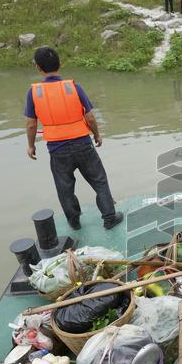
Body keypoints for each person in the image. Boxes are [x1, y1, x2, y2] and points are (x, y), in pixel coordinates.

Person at [25, 47, 123, 230]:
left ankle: (74, 221)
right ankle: (109, 216)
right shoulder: (73, 87)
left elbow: (31, 124)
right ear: (60, 64)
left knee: (65, 187)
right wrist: (97, 134)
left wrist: (31, 146)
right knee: (99, 180)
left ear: (38, 68)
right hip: (83, 144)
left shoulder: (34, 93)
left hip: (57, 149)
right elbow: (90, 117)